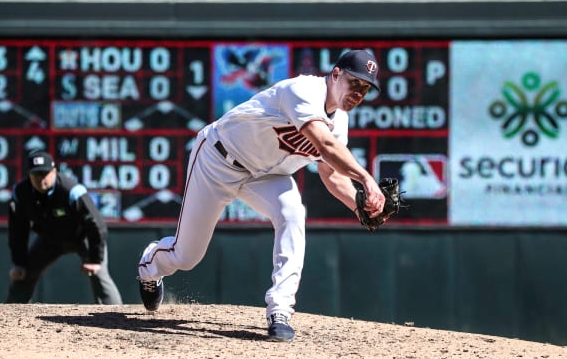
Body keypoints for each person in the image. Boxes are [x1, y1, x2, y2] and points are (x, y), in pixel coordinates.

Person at [137, 49, 386, 342]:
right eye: (354, 83)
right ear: (335, 74)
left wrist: (359, 206)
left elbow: (331, 175)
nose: (358, 93)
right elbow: (326, 146)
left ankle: (279, 310)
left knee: (293, 213)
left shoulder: (340, 122)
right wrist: (368, 179)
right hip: (218, 160)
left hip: (267, 175)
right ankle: (149, 267)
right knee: (187, 255)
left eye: (365, 89)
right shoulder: (304, 89)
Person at [6, 150, 123, 305]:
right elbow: (17, 230)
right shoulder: (21, 193)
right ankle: (10, 317)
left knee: (100, 275)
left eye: (45, 173)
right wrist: (18, 262)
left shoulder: (71, 191)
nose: (41, 178)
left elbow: (96, 225)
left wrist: (95, 259)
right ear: (29, 175)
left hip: (82, 237)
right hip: (49, 239)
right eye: (36, 174)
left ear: (54, 172)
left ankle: (115, 318)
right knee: (23, 274)